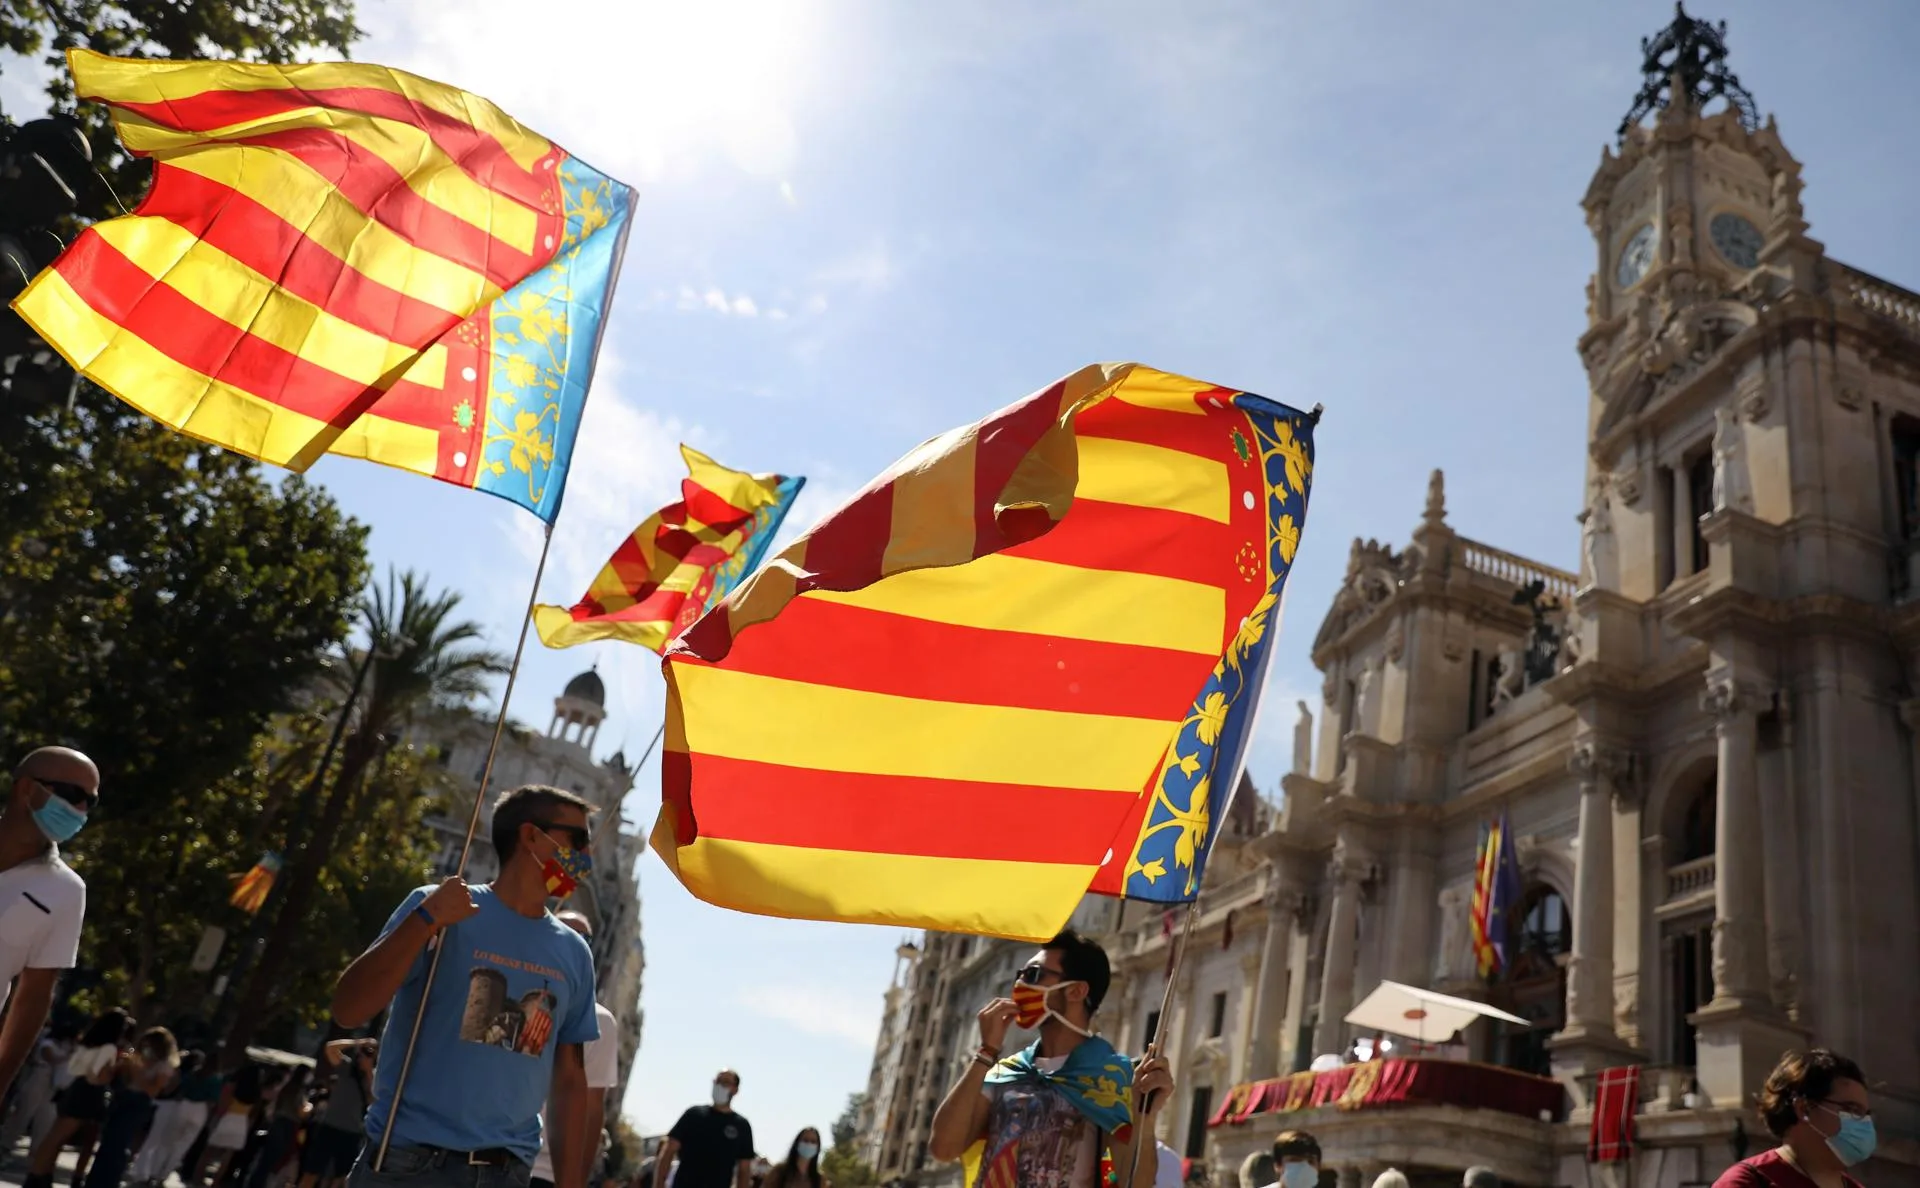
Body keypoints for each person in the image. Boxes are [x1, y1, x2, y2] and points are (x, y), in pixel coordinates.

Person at [333, 784, 600, 1188]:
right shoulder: (436, 906)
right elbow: (349, 1010)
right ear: (530, 836)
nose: (586, 855)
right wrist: (426, 919)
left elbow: (568, 1080)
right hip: (406, 1164)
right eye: (577, 839)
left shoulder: (575, 952)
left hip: (505, 1174)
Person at [928, 929, 1174, 1188]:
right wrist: (986, 1051)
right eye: (1019, 976)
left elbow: (1130, 1182)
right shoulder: (1005, 1071)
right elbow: (943, 1148)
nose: (1020, 986)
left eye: (1034, 975)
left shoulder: (1118, 1078)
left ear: (1076, 991)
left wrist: (1144, 1120)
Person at [0, 749, 96, 1104]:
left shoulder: (67, 891)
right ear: (26, 788)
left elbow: (34, 996)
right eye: (74, 795)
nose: (81, 811)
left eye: (91, 802)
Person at [530, 911, 621, 1188]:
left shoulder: (600, 1023)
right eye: (560, 931)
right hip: (490, 1157)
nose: (570, 943)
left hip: (547, 1174)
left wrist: (575, 1180)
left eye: (581, 939)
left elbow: (593, 1109)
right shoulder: (512, 993)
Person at [1711, 1049, 1874, 1188]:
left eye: (1866, 1114)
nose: (1864, 1122)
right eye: (1850, 1109)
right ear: (1804, 1108)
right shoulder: (1748, 1182)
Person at [24, 1008, 131, 1188]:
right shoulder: (109, 1048)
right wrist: (116, 1068)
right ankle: (37, 1177)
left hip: (74, 1086)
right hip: (88, 1092)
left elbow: (74, 1067)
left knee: (55, 1136)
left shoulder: (87, 1043)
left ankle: (40, 1174)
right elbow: (98, 1076)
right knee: (59, 1137)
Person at [81, 1026, 179, 1188]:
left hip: (139, 1102)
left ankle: (108, 1182)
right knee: (107, 1142)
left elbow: (153, 1089)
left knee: (118, 1144)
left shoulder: (164, 1066)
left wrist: (137, 1071)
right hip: (123, 1098)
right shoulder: (137, 1058)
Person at [129, 1049, 220, 1188]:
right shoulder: (215, 1079)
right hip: (200, 1109)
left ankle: (154, 1172)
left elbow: (182, 1089)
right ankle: (163, 1175)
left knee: (167, 1142)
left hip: (184, 1105)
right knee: (182, 1146)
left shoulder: (194, 1073)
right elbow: (212, 1101)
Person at [298, 1040, 378, 1188]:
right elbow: (330, 1048)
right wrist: (357, 1042)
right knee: (311, 1172)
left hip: (351, 1132)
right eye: (364, 1052)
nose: (365, 1056)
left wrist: (368, 1071)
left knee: (342, 1178)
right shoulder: (346, 1067)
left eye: (370, 1053)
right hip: (329, 1126)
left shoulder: (374, 1078)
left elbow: (374, 1100)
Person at [655, 1072, 753, 1188]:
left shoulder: (741, 1126)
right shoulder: (693, 1114)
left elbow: (744, 1170)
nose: (720, 1085)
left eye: (725, 1082)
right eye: (717, 1081)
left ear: (735, 1090)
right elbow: (669, 1151)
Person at [0, 1020, 75, 1157]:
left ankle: (37, 1149)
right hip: (40, 1076)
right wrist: (67, 1056)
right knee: (25, 1110)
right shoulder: (48, 1044)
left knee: (46, 1117)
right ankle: (6, 1143)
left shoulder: (66, 1047)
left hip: (52, 1083)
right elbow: (50, 1057)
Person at [760, 1129, 828, 1188]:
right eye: (805, 1140)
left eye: (813, 1142)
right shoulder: (779, 1172)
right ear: (797, 1143)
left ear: (818, 1147)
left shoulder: (820, 1180)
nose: (809, 1144)